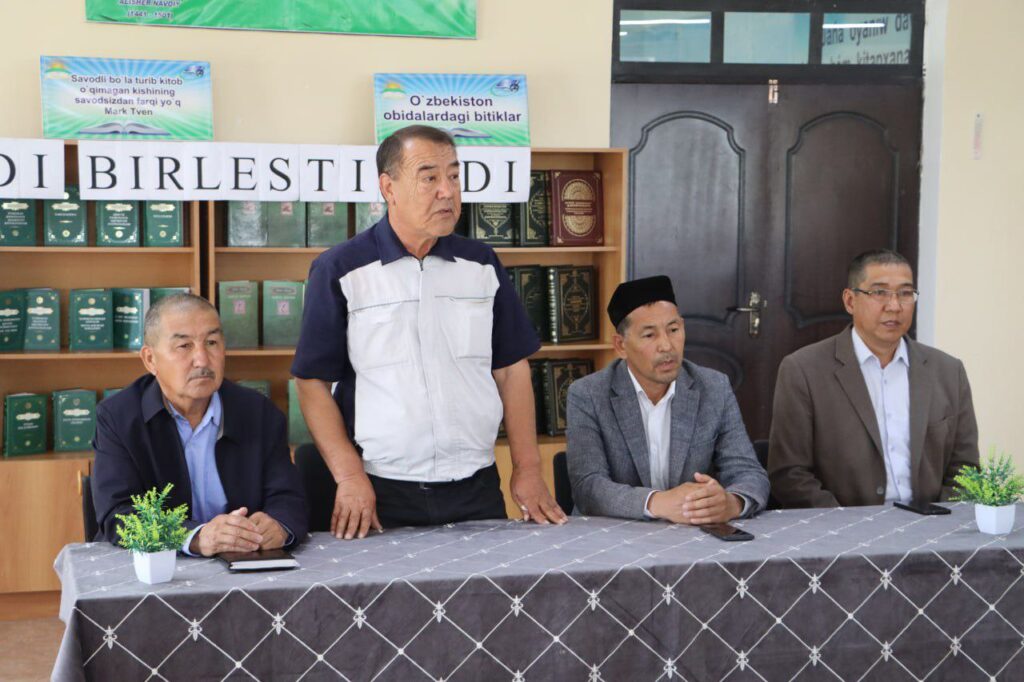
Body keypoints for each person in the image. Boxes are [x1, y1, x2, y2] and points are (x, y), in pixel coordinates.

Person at [291, 124, 565, 539]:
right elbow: (311, 382)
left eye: (454, 176)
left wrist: (527, 469)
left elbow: (512, 370)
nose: (447, 192)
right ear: (389, 187)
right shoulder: (341, 269)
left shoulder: (481, 264)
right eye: (429, 178)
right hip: (381, 488)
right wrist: (348, 476)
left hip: (476, 484)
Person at [91, 294, 308, 556]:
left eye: (212, 343)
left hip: (243, 561)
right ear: (150, 359)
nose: (203, 360)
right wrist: (194, 537)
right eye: (184, 346)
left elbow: (288, 497)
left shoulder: (259, 413)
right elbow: (119, 514)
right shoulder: (118, 417)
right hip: (155, 566)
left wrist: (279, 524)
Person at [768, 249, 979, 508]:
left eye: (905, 293)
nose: (895, 306)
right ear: (850, 301)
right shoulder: (803, 370)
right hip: (841, 525)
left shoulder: (947, 371)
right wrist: (848, 524)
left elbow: (965, 469)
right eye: (880, 292)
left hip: (931, 523)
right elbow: (789, 474)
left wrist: (939, 519)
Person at [566, 276, 769, 522]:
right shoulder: (587, 394)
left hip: (692, 533)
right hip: (614, 535)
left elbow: (749, 472)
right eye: (649, 335)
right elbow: (588, 487)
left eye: (673, 330)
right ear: (621, 346)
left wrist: (731, 503)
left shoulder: (714, 388)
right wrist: (657, 502)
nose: (666, 346)